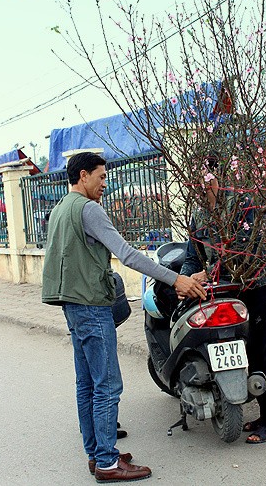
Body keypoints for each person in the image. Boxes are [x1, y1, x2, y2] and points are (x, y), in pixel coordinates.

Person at [42, 152, 206, 482]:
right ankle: (107, 462)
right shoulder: (89, 209)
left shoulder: (60, 209)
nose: (105, 184)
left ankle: (97, 453)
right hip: (91, 305)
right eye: (101, 177)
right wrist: (176, 279)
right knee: (107, 385)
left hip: (72, 305)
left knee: (86, 383)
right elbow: (127, 254)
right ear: (84, 175)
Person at [179, 172, 266, 445]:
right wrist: (183, 280)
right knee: (244, 352)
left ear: (216, 180)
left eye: (205, 182)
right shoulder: (199, 215)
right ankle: (259, 415)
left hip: (256, 286)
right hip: (226, 291)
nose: (200, 188)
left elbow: (242, 251)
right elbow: (193, 255)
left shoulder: (242, 206)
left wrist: (207, 272)